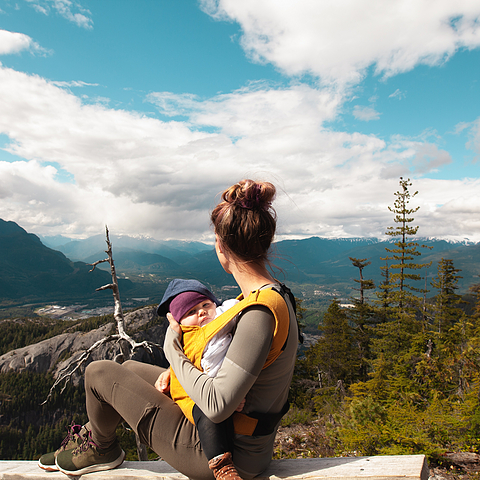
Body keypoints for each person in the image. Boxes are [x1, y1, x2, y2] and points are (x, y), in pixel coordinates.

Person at [39, 179, 299, 480]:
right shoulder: (274, 295)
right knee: (131, 369)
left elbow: (216, 406)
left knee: (99, 372)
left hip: (226, 454)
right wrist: (180, 371)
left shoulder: (258, 313)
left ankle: (102, 446)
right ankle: (93, 437)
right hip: (241, 438)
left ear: (221, 246)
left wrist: (173, 350)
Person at [156, 278, 243, 480]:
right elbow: (188, 361)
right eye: (191, 312)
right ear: (179, 322)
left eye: (206, 305)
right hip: (193, 393)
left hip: (223, 387)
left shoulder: (224, 318)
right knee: (208, 415)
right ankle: (222, 466)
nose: (202, 312)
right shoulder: (188, 337)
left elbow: (238, 307)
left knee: (220, 414)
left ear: (215, 304)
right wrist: (170, 369)